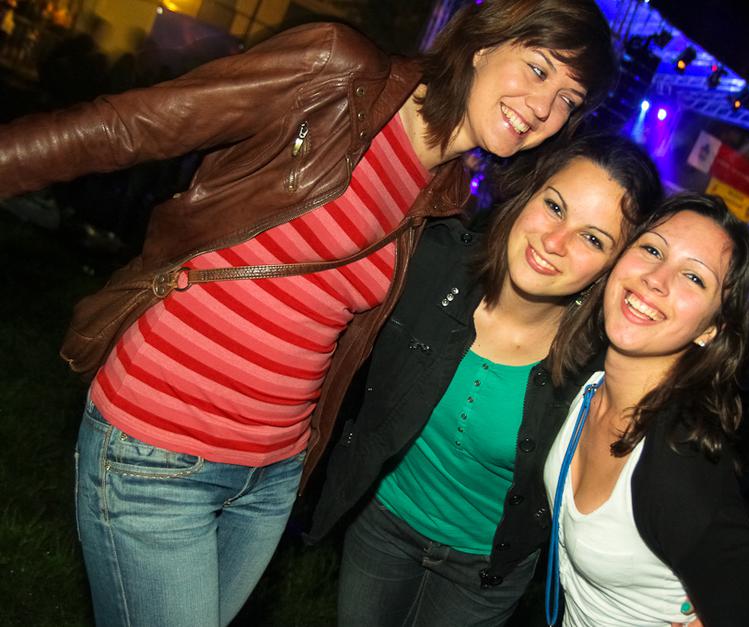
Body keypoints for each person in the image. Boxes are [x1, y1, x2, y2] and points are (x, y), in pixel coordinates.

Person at [0, 1, 615, 624]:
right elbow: (128, 126)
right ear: (484, 45)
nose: (543, 107)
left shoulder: (444, 200)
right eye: (538, 68)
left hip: (269, 476)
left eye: (567, 99)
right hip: (159, 440)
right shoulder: (339, 73)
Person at [308, 132, 662, 626]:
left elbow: (646, 488)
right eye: (554, 207)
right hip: (382, 523)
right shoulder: (433, 265)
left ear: (612, 269)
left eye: (592, 238)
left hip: (483, 574)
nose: (554, 242)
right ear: (527, 195)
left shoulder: (600, 370)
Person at [544, 193, 749, 626]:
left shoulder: (680, 463)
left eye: (694, 277)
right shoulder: (587, 384)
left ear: (711, 329)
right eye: (652, 250)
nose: (656, 279)